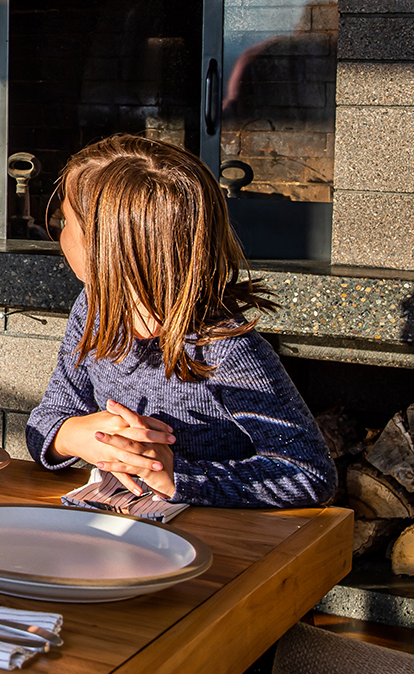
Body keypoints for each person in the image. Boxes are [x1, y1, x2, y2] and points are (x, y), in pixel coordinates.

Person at [25, 135, 337, 509]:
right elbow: (49, 418)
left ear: (106, 248)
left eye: (64, 221)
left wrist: (176, 476)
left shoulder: (226, 349)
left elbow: (310, 473)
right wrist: (75, 436)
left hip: (210, 547)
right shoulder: (94, 307)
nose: (58, 234)